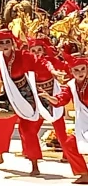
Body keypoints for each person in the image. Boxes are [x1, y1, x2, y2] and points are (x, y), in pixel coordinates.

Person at [0, 29, 63, 176]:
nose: (5, 45)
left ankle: (34, 163)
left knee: (27, 130)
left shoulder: (23, 56)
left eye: (7, 42)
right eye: (1, 43)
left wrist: (52, 71)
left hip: (26, 96)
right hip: (9, 95)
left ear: (13, 43)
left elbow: (40, 62)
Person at [39, 53, 88, 184]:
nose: (80, 72)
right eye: (76, 70)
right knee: (69, 143)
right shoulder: (71, 86)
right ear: (71, 71)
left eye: (83, 69)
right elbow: (61, 99)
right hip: (84, 123)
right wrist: (50, 98)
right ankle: (84, 174)